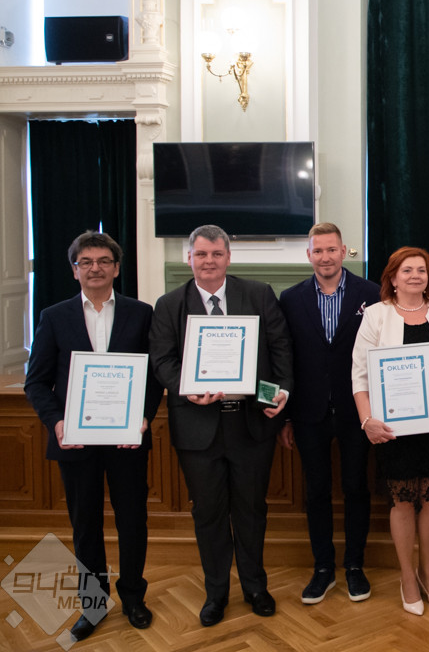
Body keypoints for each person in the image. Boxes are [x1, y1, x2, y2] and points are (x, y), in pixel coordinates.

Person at [148, 225, 291, 626]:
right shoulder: (169, 304)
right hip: (197, 429)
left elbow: (280, 350)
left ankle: (255, 587)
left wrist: (278, 394)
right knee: (208, 513)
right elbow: (162, 360)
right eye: (201, 254)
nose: (208, 261)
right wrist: (187, 387)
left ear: (228, 257)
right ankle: (216, 593)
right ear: (188, 259)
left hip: (250, 425)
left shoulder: (258, 294)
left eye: (216, 254)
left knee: (251, 510)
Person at [24, 232, 160, 641]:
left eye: (103, 261)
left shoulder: (141, 313)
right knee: (85, 525)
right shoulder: (54, 316)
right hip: (76, 440)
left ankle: (133, 597)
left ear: (116, 268)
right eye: (86, 262)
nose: (95, 268)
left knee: (132, 520)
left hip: (126, 438)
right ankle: (93, 605)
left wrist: (143, 416)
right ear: (75, 270)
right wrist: (56, 422)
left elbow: (154, 375)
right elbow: (36, 382)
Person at [352, 246, 429, 616]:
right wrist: (367, 421)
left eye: (421, 270)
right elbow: (360, 375)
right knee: (402, 500)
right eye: (407, 270)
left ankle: (428, 573)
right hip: (394, 424)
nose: (415, 276)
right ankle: (407, 578)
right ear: (393, 278)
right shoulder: (376, 315)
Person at [278, 223, 379, 604]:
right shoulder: (290, 298)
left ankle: (354, 566)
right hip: (309, 412)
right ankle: (323, 568)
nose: (325, 257)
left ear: (343, 251)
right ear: (309, 255)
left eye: (331, 249)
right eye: (318, 251)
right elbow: (285, 358)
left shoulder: (371, 294)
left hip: (357, 411)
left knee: (356, 488)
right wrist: (286, 417)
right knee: (316, 491)